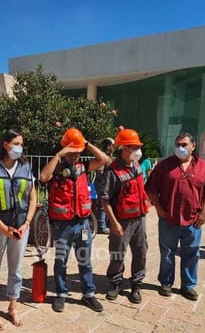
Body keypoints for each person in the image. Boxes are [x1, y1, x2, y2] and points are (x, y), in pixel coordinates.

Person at [39, 128, 111, 313]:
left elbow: (104, 159)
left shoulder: (84, 167)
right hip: (63, 226)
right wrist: (58, 155)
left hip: (83, 224)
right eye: (71, 152)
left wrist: (86, 144)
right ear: (65, 150)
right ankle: (61, 294)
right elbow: (43, 177)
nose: (75, 156)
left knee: (85, 261)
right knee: (61, 261)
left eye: (78, 152)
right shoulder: (56, 168)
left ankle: (88, 294)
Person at [145, 133, 205, 301]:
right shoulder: (164, 166)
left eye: (184, 144)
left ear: (193, 146)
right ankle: (166, 283)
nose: (180, 148)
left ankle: (188, 286)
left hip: (193, 220)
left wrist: (204, 212)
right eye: (178, 145)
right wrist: (160, 210)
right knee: (167, 253)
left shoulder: (204, 167)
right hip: (168, 220)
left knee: (191, 253)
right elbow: (152, 190)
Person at [0, 129, 37, 329]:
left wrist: (27, 223)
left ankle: (13, 307)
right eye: (16, 143)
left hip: (21, 226)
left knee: (16, 270)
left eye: (21, 144)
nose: (19, 148)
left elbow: (33, 197)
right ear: (6, 144)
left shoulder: (26, 168)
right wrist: (3, 228)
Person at [101, 128, 149, 304]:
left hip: (140, 218)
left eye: (138, 146)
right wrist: (114, 223)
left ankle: (136, 284)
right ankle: (115, 283)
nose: (137, 150)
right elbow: (105, 200)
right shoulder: (113, 171)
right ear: (124, 148)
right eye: (133, 147)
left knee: (141, 252)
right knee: (117, 253)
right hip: (122, 221)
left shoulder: (136, 166)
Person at [93, 137, 116, 234]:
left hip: (107, 183)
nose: (114, 148)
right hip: (101, 183)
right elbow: (99, 170)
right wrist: (107, 177)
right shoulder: (102, 156)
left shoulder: (109, 156)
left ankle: (105, 224)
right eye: (112, 145)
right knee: (102, 204)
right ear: (108, 146)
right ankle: (101, 226)